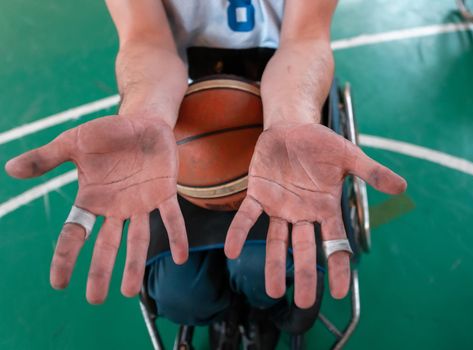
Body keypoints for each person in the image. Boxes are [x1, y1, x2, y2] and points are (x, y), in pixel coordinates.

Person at [5, 0, 407, 346]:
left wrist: (292, 121)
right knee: (180, 292)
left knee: (264, 272)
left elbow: (305, 40)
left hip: (283, 86)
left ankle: (265, 320)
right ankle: (225, 318)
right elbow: (147, 41)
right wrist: (146, 115)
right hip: (181, 100)